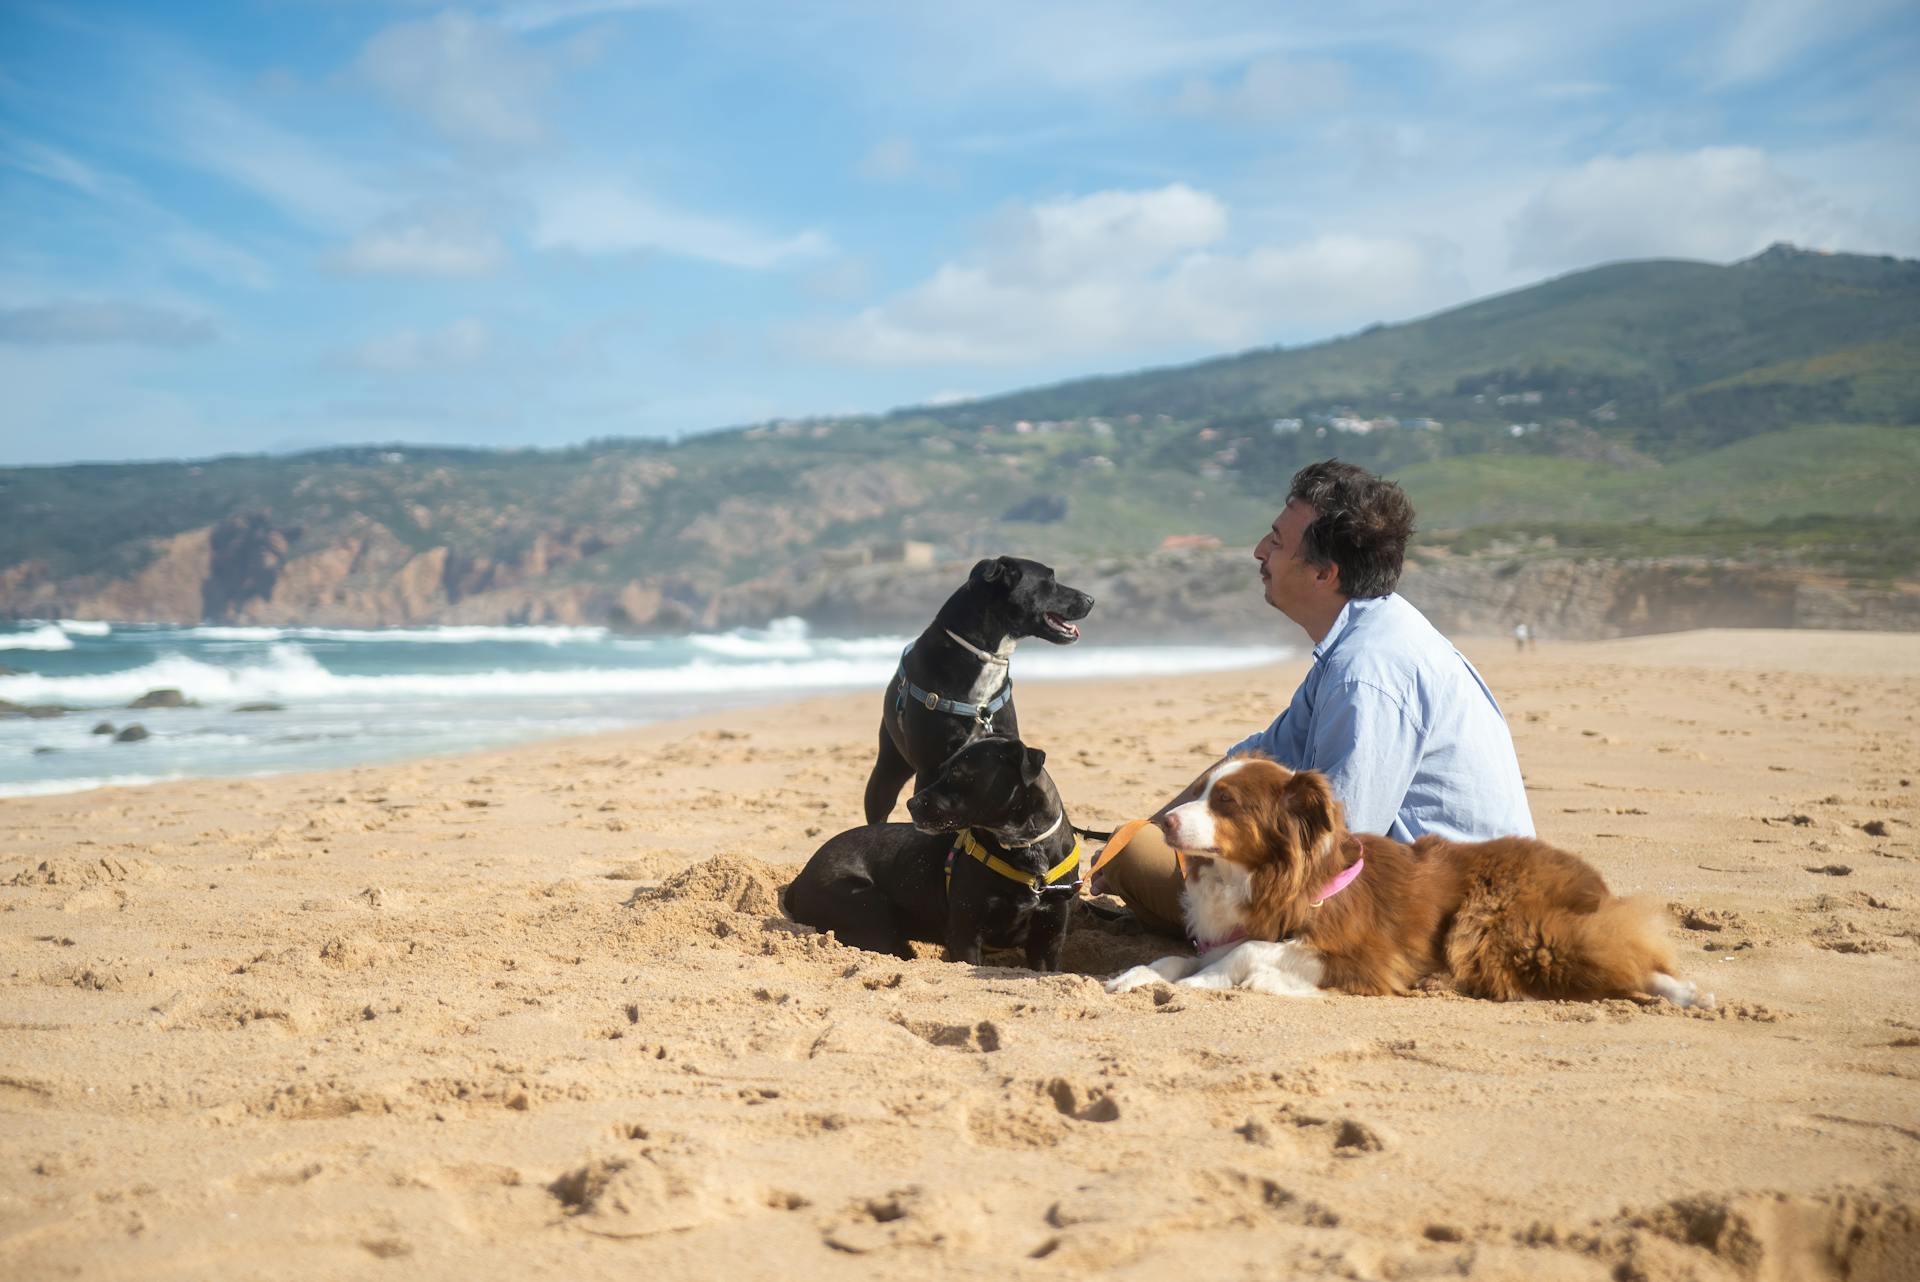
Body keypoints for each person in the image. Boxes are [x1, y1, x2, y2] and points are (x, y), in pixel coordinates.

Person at [1092, 459, 1535, 936]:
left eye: (1277, 542)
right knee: (1142, 842)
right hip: (1427, 884)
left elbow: (1337, 849)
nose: (1260, 551)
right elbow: (1252, 758)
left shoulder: (1367, 672)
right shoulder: (1366, 635)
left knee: (1142, 860)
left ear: (1325, 574)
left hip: (1448, 914)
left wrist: (1144, 853)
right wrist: (1155, 825)